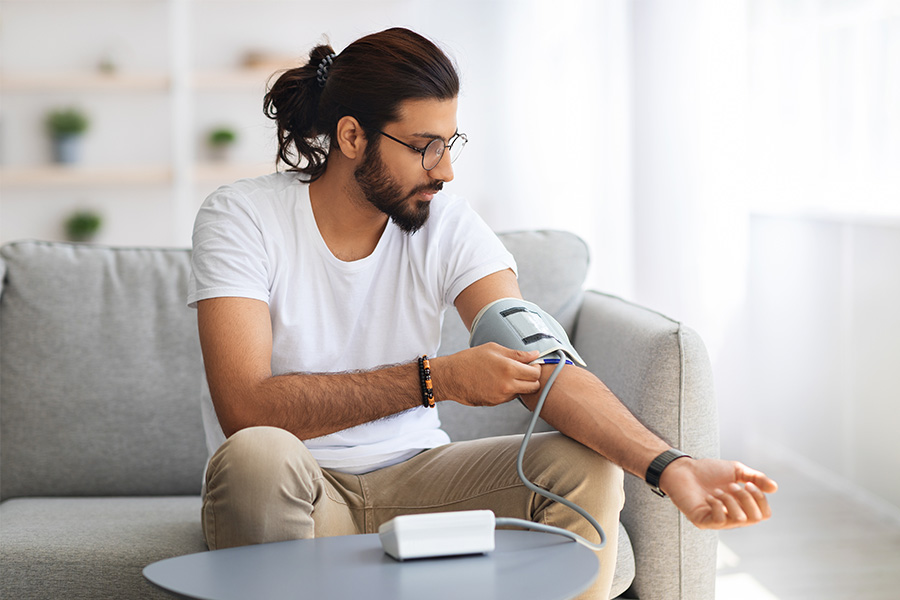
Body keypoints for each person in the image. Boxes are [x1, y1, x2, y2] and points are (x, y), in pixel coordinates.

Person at [188, 27, 777, 599]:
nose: (444, 171)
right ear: (351, 137)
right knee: (258, 453)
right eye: (424, 148)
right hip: (302, 492)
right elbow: (246, 406)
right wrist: (434, 380)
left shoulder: (447, 225)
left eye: (450, 144)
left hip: (420, 481)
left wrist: (670, 468)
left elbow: (540, 359)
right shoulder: (243, 219)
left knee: (582, 465)